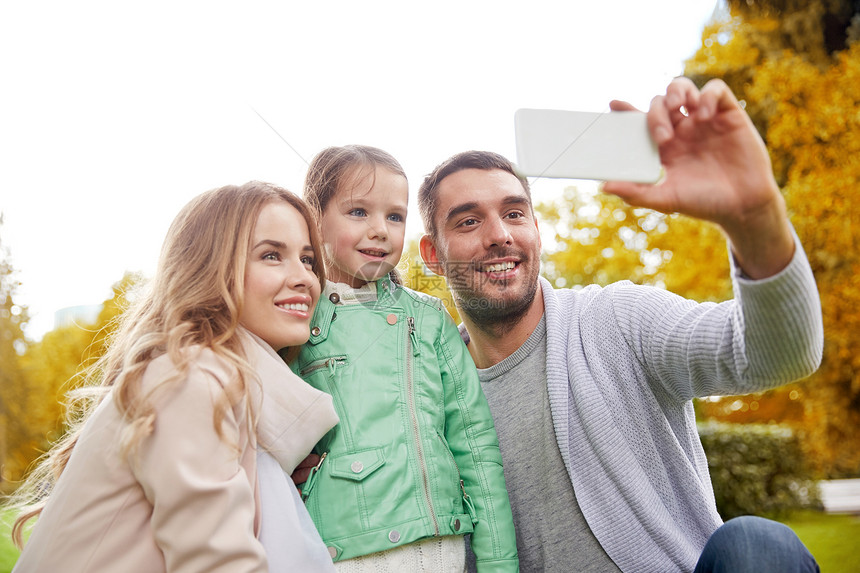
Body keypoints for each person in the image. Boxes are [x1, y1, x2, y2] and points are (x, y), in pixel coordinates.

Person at [416, 78, 824, 573]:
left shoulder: (615, 320)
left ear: (536, 231)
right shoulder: (425, 396)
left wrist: (754, 218)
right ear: (433, 255)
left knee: (755, 545)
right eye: (468, 221)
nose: (500, 235)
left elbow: (778, 354)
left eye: (514, 213)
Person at [10, 182, 340, 572]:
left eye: (307, 259)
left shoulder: (215, 382)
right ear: (209, 269)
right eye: (271, 255)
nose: (304, 277)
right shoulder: (189, 378)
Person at [292, 144, 519, 571]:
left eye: (394, 216)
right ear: (314, 220)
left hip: (444, 551)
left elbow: (476, 446)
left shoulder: (429, 319)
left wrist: (499, 566)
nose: (380, 230)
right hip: (341, 555)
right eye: (358, 212)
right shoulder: (296, 319)